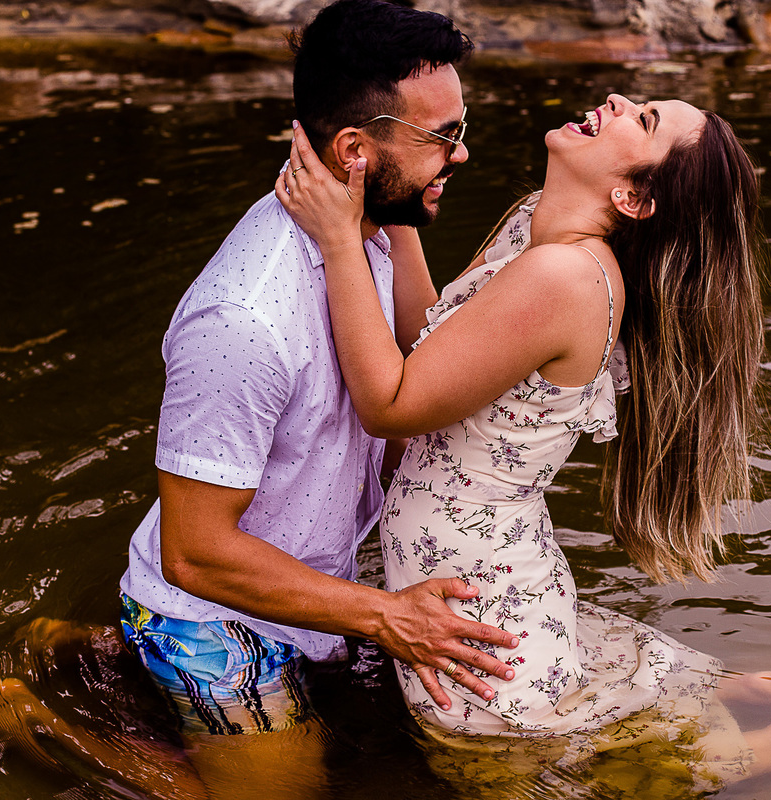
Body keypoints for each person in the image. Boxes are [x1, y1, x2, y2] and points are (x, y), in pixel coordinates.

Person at [276, 94, 771, 790]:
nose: (619, 101)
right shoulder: (533, 226)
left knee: (510, 767)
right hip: (480, 560)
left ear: (632, 196)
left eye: (645, 121)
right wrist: (398, 210)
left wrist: (337, 238)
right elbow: (433, 348)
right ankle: (752, 696)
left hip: (474, 586)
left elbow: (391, 405)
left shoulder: (567, 278)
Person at [115, 0, 519, 796]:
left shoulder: (357, 225)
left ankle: (87, 655)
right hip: (210, 621)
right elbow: (192, 552)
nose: (461, 154)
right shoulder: (242, 318)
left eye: (459, 125)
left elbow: (421, 352)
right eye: (441, 138)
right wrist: (386, 616)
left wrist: (400, 202)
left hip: (310, 591)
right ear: (353, 149)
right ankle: (31, 714)